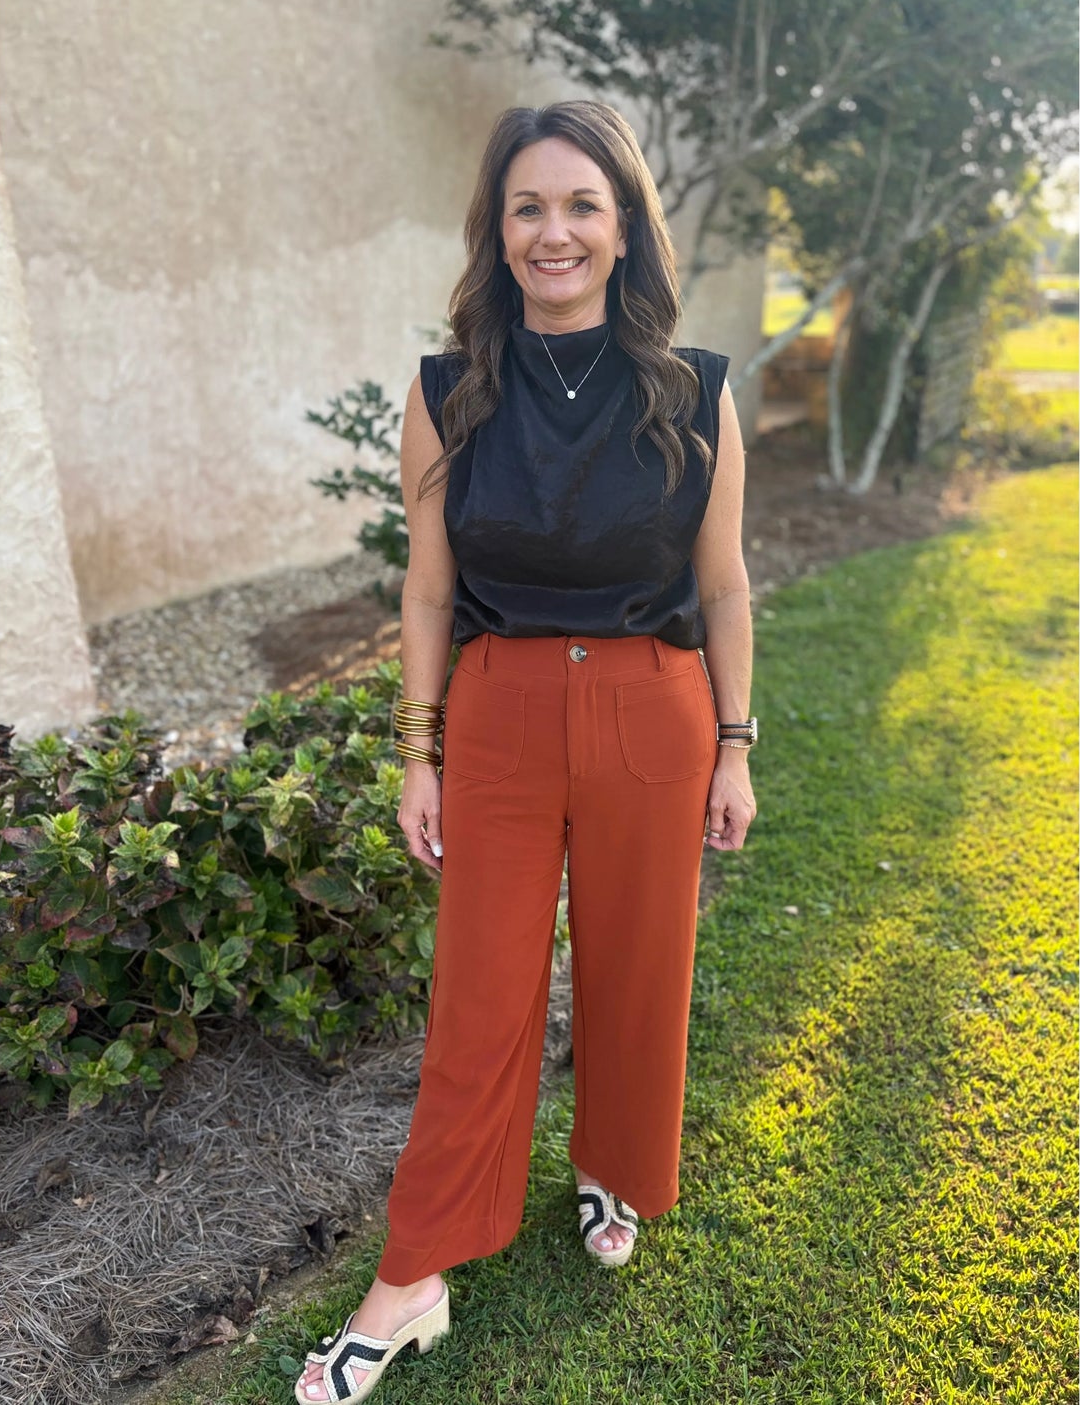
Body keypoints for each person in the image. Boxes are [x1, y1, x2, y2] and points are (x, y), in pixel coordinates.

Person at [298, 99, 758, 1404]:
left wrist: (733, 744)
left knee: (637, 963)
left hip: (652, 711)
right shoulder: (449, 392)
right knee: (479, 997)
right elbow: (429, 594)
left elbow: (721, 587)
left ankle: (614, 1162)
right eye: (526, 207)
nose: (551, 231)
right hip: (497, 716)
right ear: (495, 233)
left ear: (622, 232)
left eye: (579, 206)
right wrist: (416, 753)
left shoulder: (695, 391)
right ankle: (415, 1274)